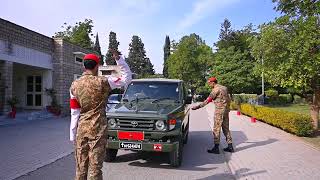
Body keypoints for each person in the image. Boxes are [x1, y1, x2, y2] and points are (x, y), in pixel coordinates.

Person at [69, 49, 132, 180]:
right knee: (95, 168)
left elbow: (74, 112)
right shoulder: (104, 81)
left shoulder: (74, 85)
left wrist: (73, 135)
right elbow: (127, 79)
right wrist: (119, 60)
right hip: (98, 129)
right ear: (97, 66)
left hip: (82, 129)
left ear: (83, 66)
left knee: (80, 168)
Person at [191, 77, 234, 154]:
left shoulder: (215, 90)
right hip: (226, 111)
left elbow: (208, 100)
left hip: (219, 111)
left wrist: (197, 107)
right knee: (226, 128)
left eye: (209, 83)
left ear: (213, 82)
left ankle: (216, 148)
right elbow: (229, 99)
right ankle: (230, 146)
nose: (209, 85)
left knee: (216, 129)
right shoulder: (224, 88)